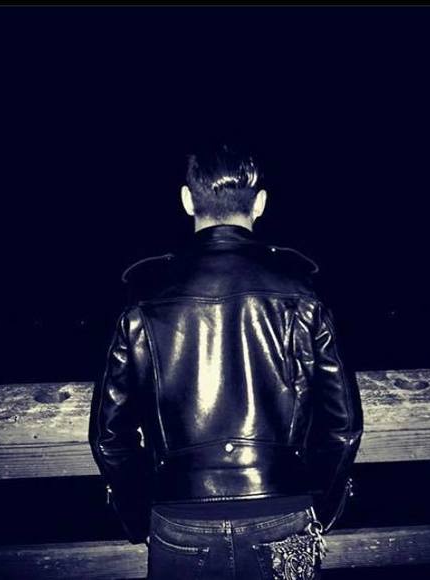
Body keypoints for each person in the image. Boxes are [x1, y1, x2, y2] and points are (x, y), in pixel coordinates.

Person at [88, 144, 364, 580]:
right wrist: (316, 506)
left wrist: (141, 517)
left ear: (187, 200)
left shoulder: (145, 295)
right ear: (260, 203)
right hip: (283, 510)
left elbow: (109, 436)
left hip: (179, 517)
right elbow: (342, 426)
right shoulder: (301, 292)